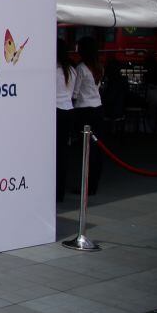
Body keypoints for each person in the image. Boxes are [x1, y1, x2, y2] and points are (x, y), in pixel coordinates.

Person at [73, 36, 104, 195]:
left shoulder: (81, 68)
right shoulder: (98, 66)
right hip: (97, 107)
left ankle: (86, 186)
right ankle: (93, 183)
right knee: (96, 149)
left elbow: (75, 92)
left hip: (84, 110)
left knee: (86, 150)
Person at [55, 39, 78, 202]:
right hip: (68, 109)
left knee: (53, 152)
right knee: (63, 151)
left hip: (55, 111)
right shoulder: (71, 70)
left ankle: (55, 189)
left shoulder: (53, 70)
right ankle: (60, 190)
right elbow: (73, 94)